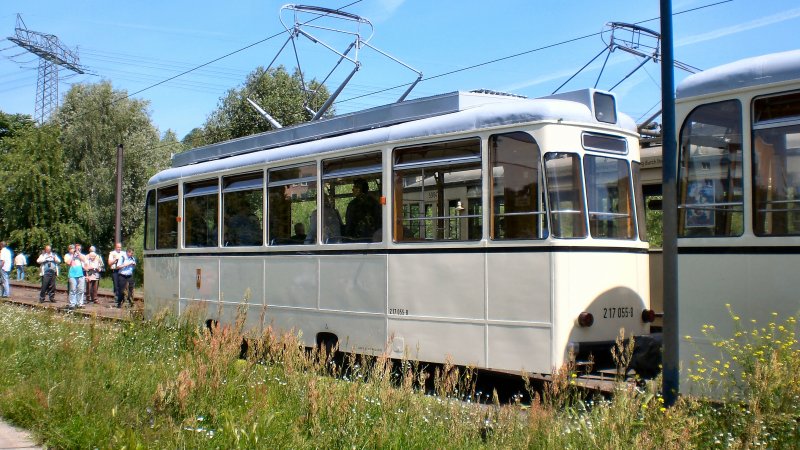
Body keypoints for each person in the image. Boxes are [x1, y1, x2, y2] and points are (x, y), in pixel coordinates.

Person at [64, 244, 86, 309]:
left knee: (81, 290)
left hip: (81, 274)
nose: (73, 250)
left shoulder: (80, 255)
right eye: (71, 249)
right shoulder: (67, 255)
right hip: (72, 274)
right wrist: (73, 256)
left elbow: (84, 260)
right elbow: (68, 262)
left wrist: (78, 254)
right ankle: (72, 304)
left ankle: (80, 303)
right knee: (72, 290)